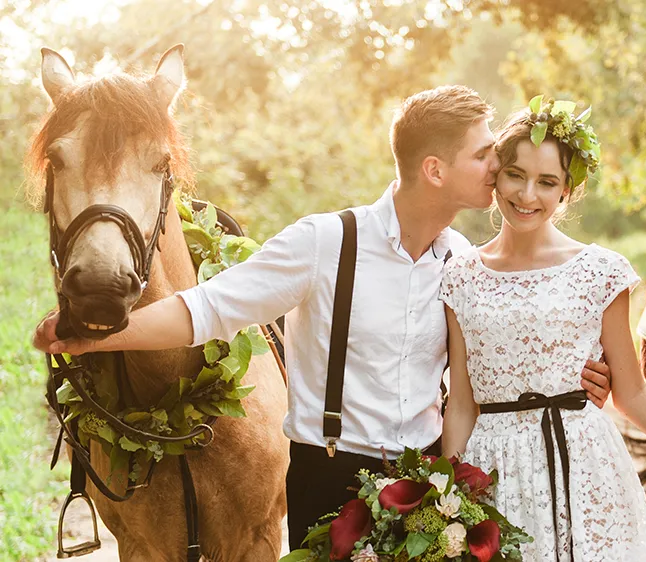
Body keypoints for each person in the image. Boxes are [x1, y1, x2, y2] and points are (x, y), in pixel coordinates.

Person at [32, 86, 614, 549]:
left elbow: (502, 362)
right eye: (485, 153)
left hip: (429, 482)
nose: (498, 165)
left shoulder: (462, 263)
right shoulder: (324, 243)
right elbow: (207, 310)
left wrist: (584, 377)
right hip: (330, 477)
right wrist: (94, 341)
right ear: (435, 170)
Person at [439, 99, 646, 560]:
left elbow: (632, 393)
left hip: (586, 471)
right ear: (496, 175)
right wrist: (445, 502)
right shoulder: (461, 275)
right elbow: (461, 403)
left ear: (566, 192)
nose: (527, 195)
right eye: (515, 175)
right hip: (495, 474)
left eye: (547, 182)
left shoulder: (599, 272)